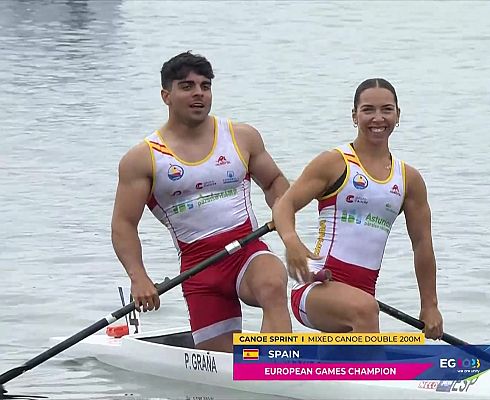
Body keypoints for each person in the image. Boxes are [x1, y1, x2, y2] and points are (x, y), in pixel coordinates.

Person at [111, 51, 292, 352]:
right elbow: (123, 225)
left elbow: (274, 183)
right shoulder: (142, 159)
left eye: (205, 86)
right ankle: (264, 368)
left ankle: (277, 365)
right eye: (187, 86)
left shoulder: (241, 137)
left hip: (247, 249)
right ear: (165, 95)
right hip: (199, 269)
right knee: (221, 366)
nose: (198, 94)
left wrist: (285, 223)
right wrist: (139, 278)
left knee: (273, 284)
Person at [273, 78, 444, 339]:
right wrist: (292, 242)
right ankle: (371, 374)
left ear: (398, 115)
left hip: (362, 294)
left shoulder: (409, 179)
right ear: (355, 116)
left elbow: (422, 244)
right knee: (365, 310)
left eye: (387, 109)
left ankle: (337, 371)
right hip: (316, 286)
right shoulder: (334, 163)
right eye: (368, 110)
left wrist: (430, 306)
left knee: (365, 308)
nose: (378, 118)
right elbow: (285, 204)